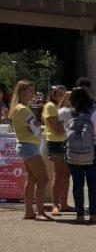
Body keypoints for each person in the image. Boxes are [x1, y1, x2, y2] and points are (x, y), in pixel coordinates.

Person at [63, 85, 96, 224]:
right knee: (93, 184)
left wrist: (66, 96)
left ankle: (79, 215)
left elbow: (61, 108)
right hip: (93, 151)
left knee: (77, 184)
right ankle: (93, 215)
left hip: (73, 152)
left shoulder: (66, 113)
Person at [9, 80, 52, 221]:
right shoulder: (24, 109)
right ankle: (40, 212)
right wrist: (39, 126)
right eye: (30, 91)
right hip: (29, 146)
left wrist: (36, 126)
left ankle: (29, 212)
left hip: (24, 145)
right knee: (43, 178)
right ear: (22, 92)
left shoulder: (16, 108)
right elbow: (35, 130)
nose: (33, 94)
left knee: (32, 178)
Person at [42, 85, 70, 215]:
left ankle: (64, 204)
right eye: (60, 94)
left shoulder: (64, 109)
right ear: (53, 95)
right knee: (58, 174)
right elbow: (57, 130)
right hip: (55, 143)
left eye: (65, 95)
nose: (63, 97)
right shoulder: (50, 106)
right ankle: (55, 205)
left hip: (66, 142)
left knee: (66, 174)